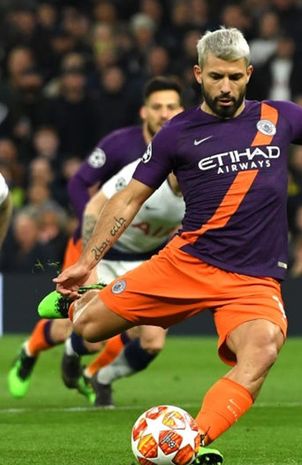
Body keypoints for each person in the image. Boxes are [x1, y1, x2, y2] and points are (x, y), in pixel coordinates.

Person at [38, 27, 302, 464]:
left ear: (249, 73)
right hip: (187, 264)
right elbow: (128, 198)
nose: (226, 87)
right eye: (216, 77)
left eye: (235, 77)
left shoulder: (278, 116)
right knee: (86, 329)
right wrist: (87, 262)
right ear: (198, 74)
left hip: (252, 280)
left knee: (262, 350)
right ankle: (84, 302)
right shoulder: (176, 133)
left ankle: (191, 442)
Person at [7, 77, 183, 401]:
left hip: (144, 253)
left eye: (171, 106)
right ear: (144, 112)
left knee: (140, 336)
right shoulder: (121, 146)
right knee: (76, 330)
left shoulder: (189, 156)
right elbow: (79, 184)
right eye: (157, 107)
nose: (165, 113)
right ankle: (29, 352)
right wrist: (91, 250)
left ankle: (94, 377)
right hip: (95, 243)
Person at [62, 158, 185, 407]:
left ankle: (101, 378)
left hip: (147, 262)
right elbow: (94, 208)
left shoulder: (206, 188)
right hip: (107, 256)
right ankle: (71, 351)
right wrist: (90, 264)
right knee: (91, 338)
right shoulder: (145, 171)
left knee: (152, 342)